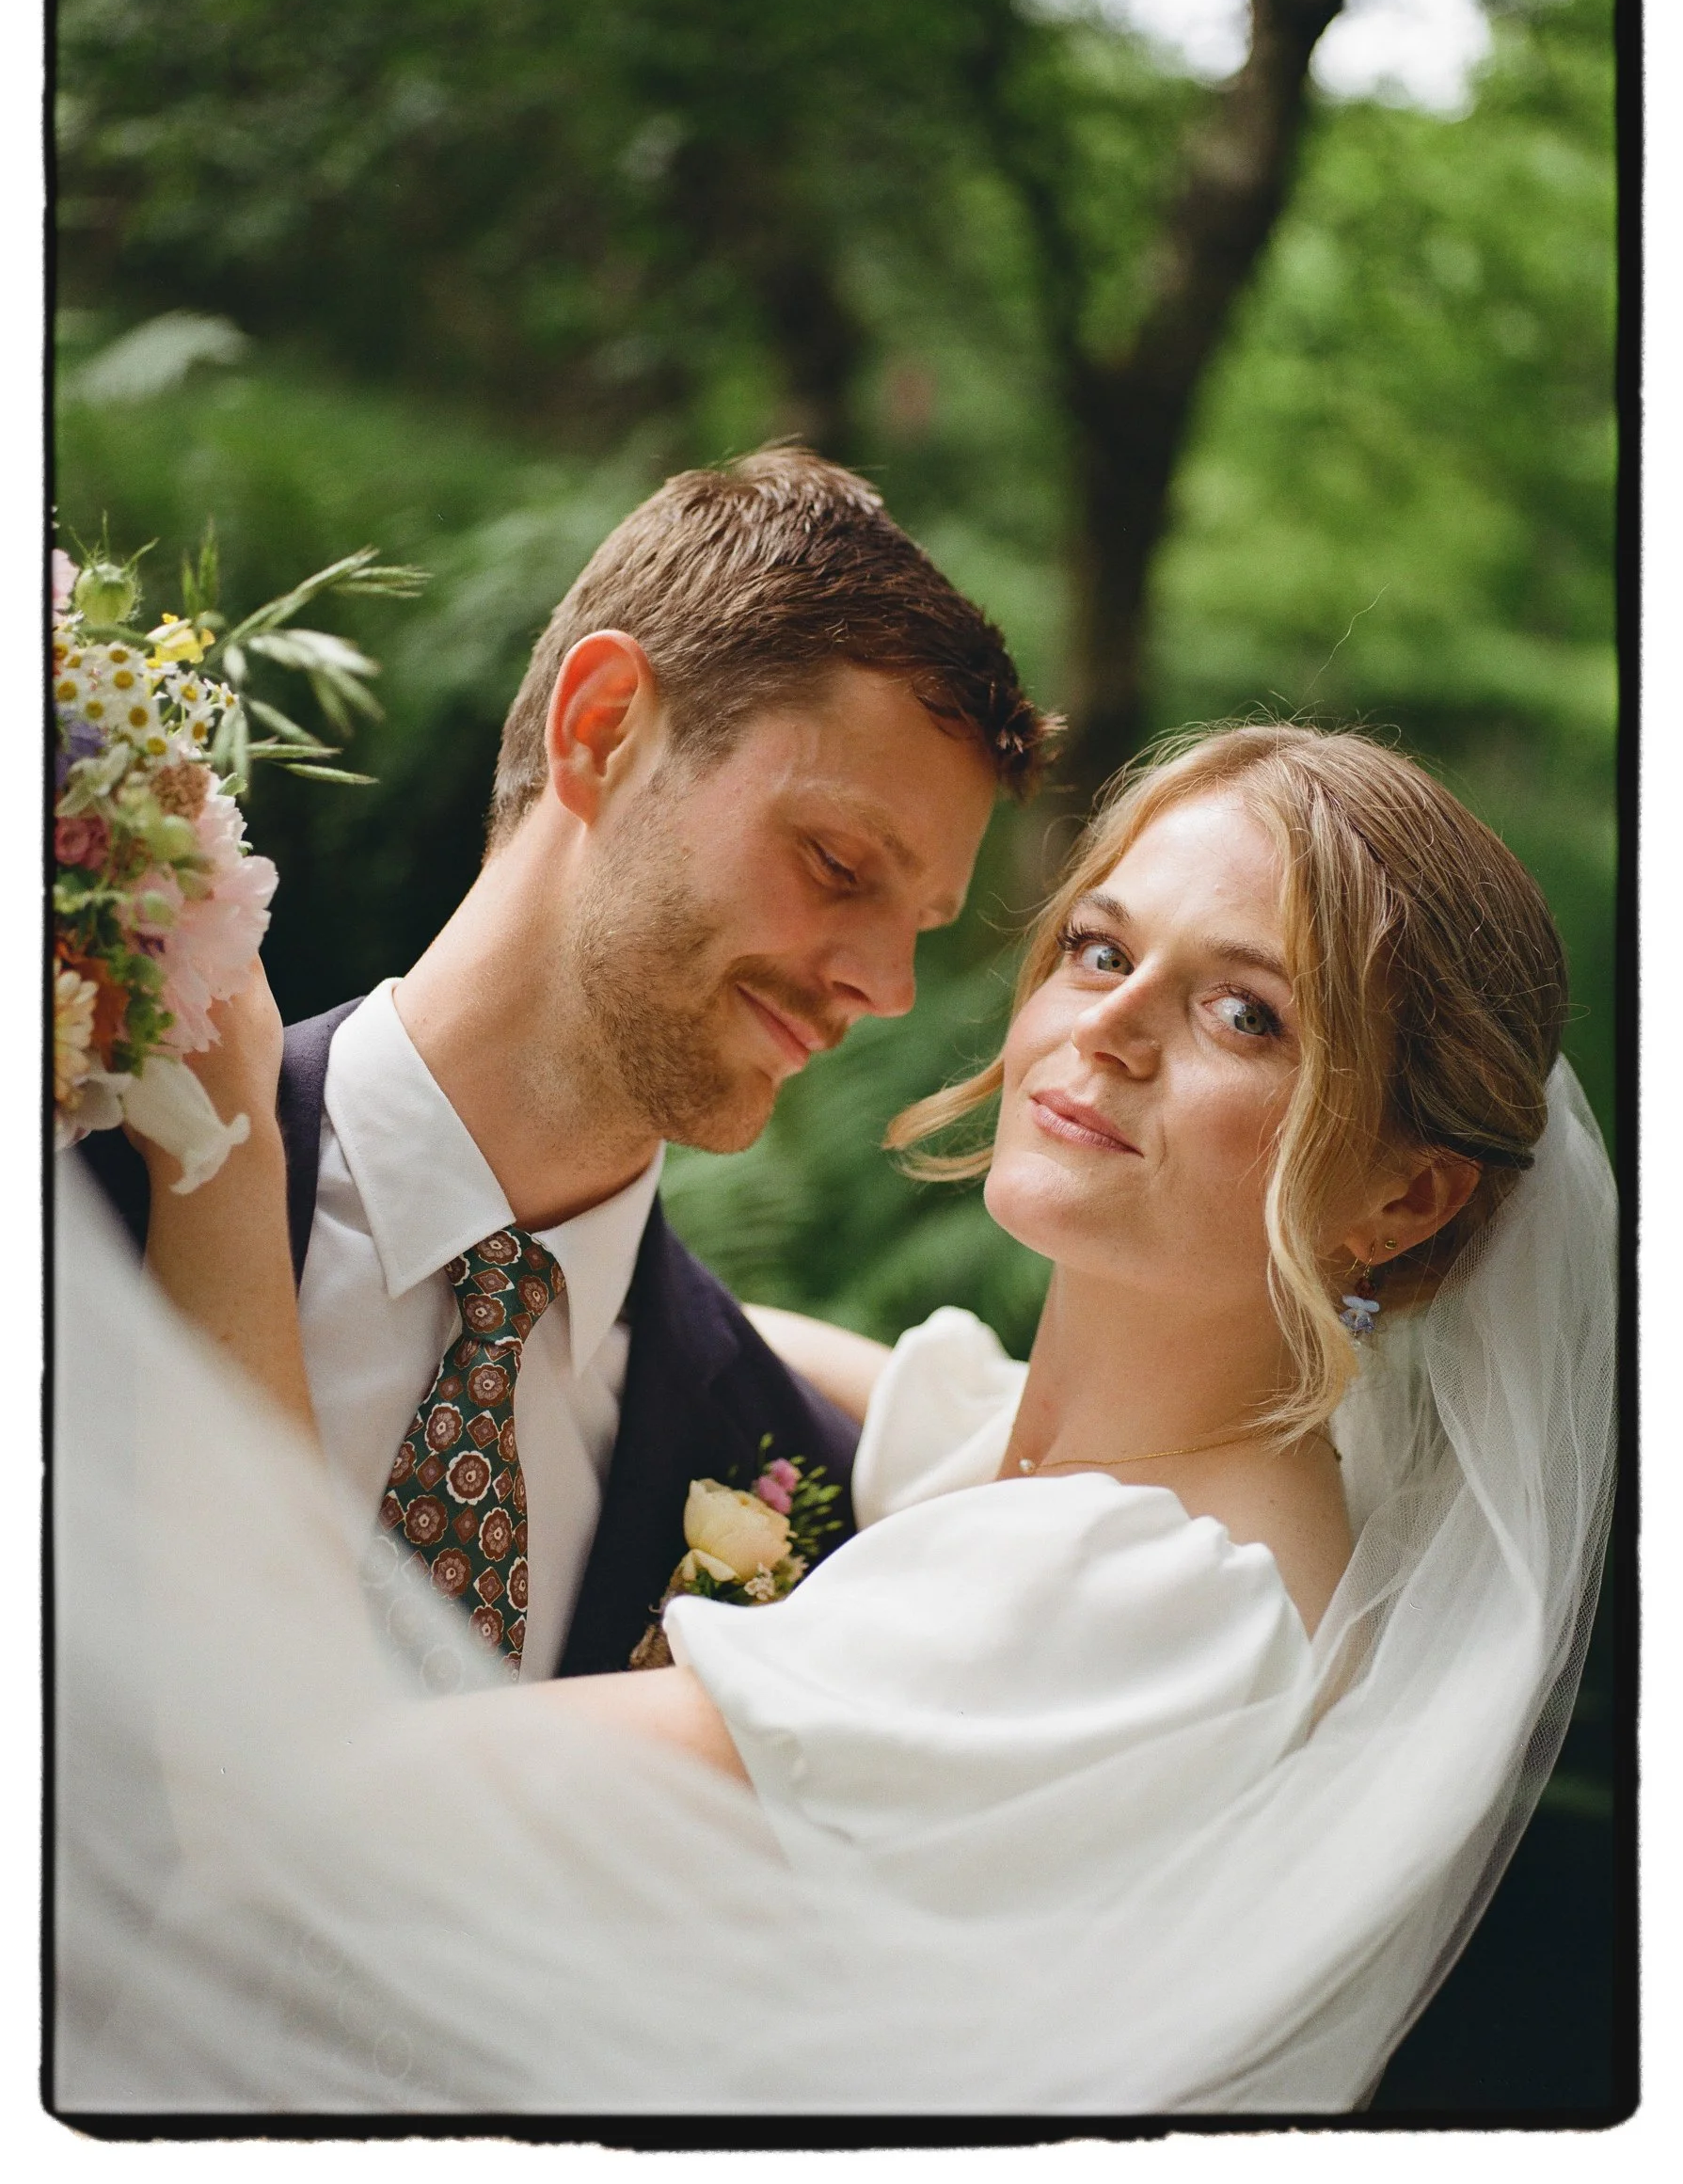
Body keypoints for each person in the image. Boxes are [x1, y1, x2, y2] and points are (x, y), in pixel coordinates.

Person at [63, 723, 1615, 2114]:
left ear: (1403, 1195)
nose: (1112, 1027)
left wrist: (224, 1136)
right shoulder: (1129, 1475)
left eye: (1246, 1015)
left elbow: (295, 1803)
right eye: (1095, 946)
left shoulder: (1133, 1606)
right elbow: (684, 1320)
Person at [80, 442, 1050, 1682]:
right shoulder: (88, 1144)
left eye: (918, 925)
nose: (889, 987)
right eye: (838, 866)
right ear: (602, 732)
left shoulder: (795, 1483)